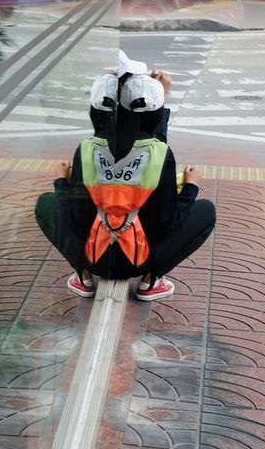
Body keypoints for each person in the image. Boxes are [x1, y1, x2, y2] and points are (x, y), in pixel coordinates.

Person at [35, 53, 215, 302]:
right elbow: (168, 221)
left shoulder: (87, 149)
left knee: (47, 203)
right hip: (140, 260)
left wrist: (60, 181)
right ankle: (151, 282)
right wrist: (191, 187)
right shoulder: (159, 153)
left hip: (94, 257)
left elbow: (75, 217)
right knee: (206, 210)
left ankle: (83, 275)